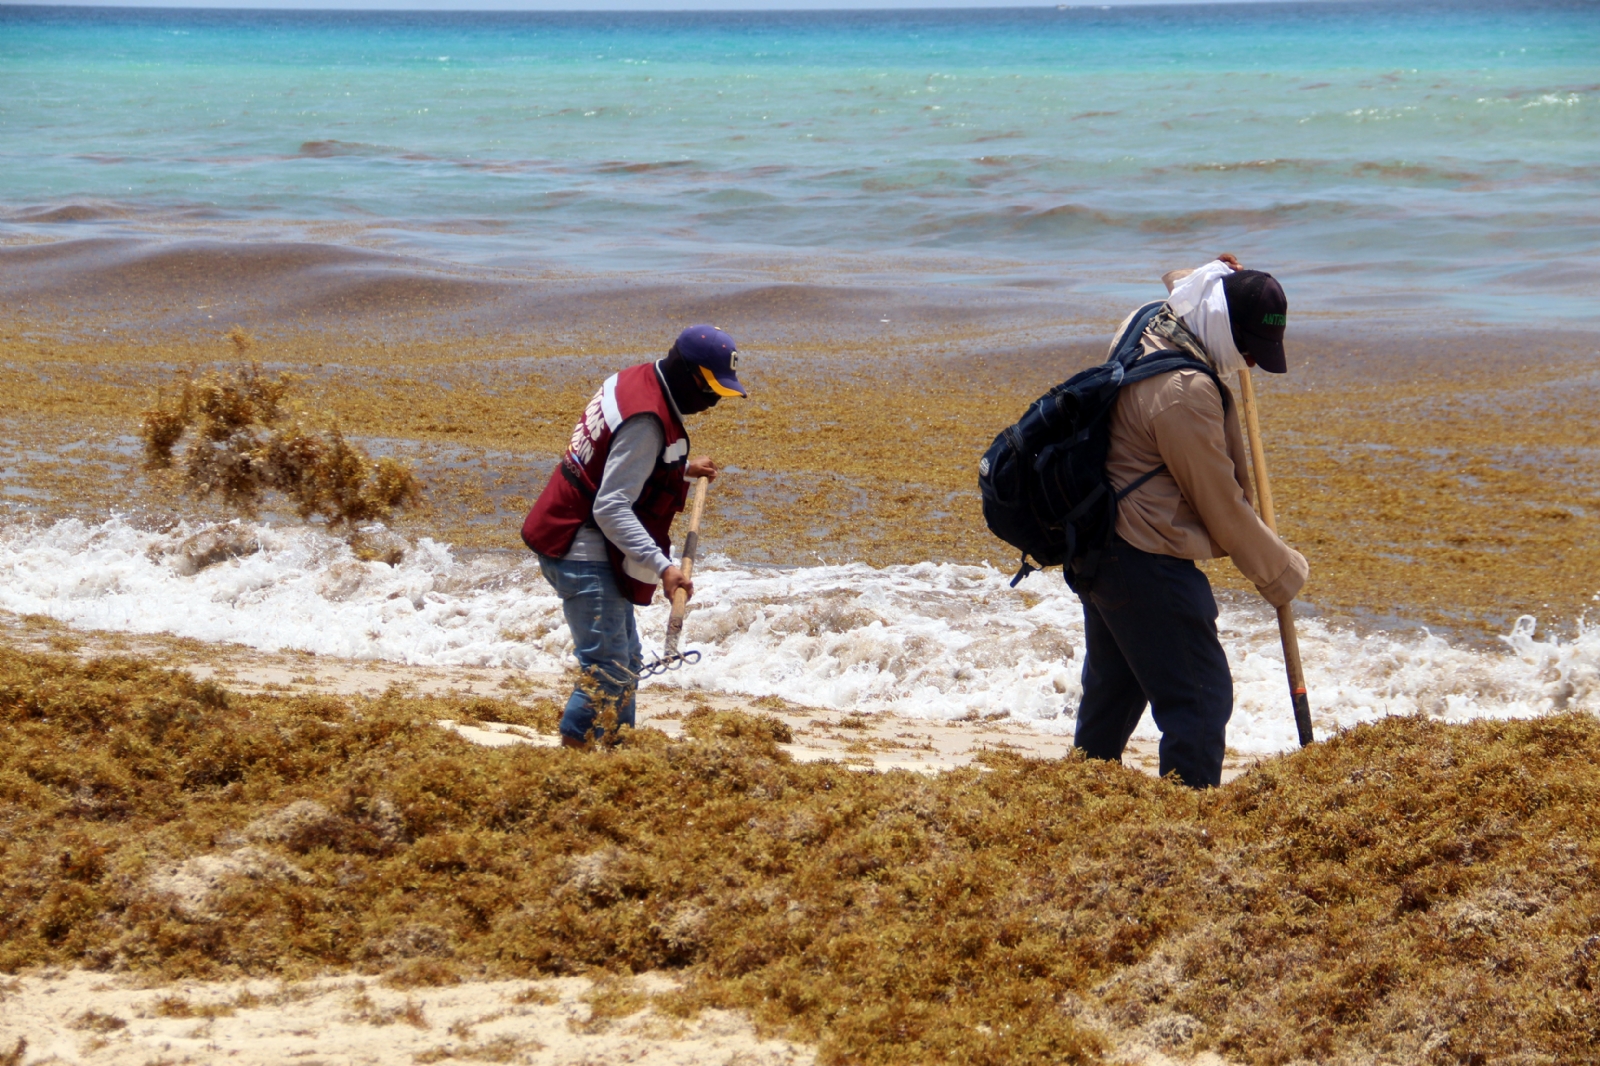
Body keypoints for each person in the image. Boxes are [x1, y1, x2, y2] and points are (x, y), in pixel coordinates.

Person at [1071, 255, 1308, 788]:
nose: (1249, 361)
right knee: (1200, 699)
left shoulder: (1152, 319)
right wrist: (1282, 574)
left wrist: (1216, 273)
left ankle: (1078, 798)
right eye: (1248, 348)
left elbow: (1187, 286)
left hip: (1099, 542)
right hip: (1143, 554)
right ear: (1224, 326)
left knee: (1116, 690)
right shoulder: (1185, 392)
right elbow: (1221, 507)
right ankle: (1183, 829)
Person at [521, 325, 745, 748]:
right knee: (607, 667)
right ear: (685, 373)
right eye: (710, 388)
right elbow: (610, 506)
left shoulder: (633, 379)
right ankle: (570, 765)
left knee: (627, 663)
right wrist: (664, 568)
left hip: (571, 533)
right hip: (581, 548)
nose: (714, 401)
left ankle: (616, 751)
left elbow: (617, 458)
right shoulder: (647, 421)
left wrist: (678, 468)